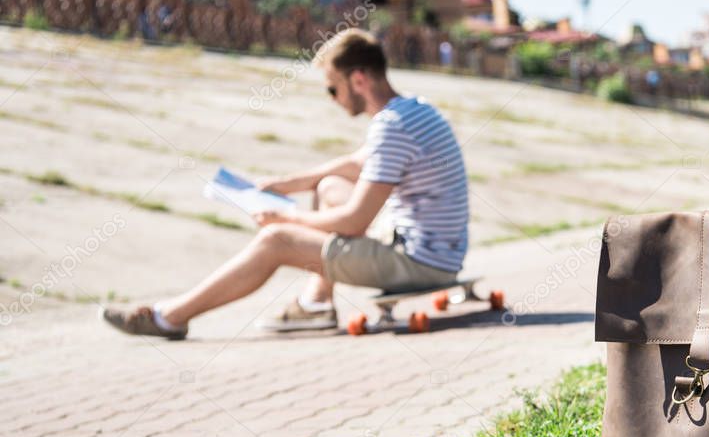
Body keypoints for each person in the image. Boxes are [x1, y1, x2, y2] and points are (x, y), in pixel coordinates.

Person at [102, 29, 469, 339]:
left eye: (332, 89)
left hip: (420, 264)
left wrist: (286, 222)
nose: (333, 100)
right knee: (328, 186)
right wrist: (285, 184)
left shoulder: (391, 126)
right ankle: (315, 305)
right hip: (436, 253)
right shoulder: (415, 110)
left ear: (358, 79)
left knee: (276, 241)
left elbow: (355, 221)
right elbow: (358, 164)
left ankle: (170, 317)